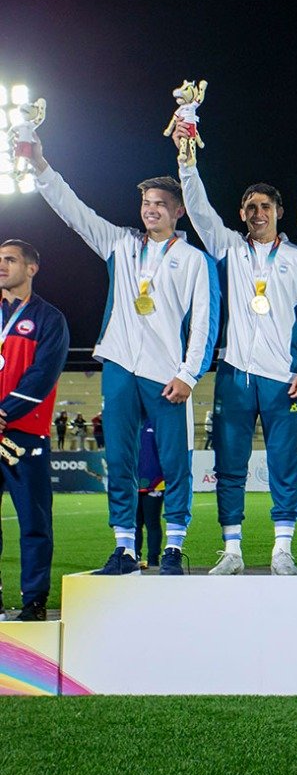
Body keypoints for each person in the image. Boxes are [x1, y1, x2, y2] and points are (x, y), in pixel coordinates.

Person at [32, 135, 219, 576]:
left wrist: (189, 374)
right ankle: (125, 550)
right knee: (119, 460)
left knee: (175, 463)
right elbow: (73, 210)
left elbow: (204, 325)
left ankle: (172, 547)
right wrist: (41, 165)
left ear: (179, 211)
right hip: (118, 365)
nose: (150, 209)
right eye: (146, 203)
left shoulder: (194, 260)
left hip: (167, 374)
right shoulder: (119, 243)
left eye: (159, 203)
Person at [177, 132, 297, 576]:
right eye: (250, 207)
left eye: (266, 207)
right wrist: (188, 163)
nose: (258, 213)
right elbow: (199, 209)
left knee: (285, 466)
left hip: (282, 379)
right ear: (241, 214)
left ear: (279, 212)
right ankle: (233, 549)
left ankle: (283, 549)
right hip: (235, 374)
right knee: (230, 465)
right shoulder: (227, 249)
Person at [0, 241, 69, 621]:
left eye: (9, 260)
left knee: (34, 522)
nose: (2, 265)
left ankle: (34, 600)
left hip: (25, 435)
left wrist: (3, 411)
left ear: (31, 268)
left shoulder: (49, 318)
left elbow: (42, 376)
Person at [134, 418, 164, 569]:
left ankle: (153, 560)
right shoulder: (132, 421)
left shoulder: (157, 422)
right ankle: (134, 557)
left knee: (152, 522)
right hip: (133, 481)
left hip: (155, 481)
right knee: (135, 523)